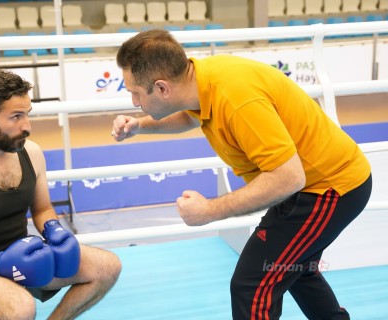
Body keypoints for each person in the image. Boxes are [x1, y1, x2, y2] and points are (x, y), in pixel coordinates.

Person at [111, 29, 371, 319]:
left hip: (329, 188)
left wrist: (210, 210)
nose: (134, 102)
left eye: (135, 93)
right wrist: (141, 125)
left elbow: (288, 177)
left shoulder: (237, 99)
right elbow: (187, 113)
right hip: (310, 183)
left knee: (252, 285)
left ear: (162, 88)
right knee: (297, 270)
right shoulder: (198, 80)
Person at [0, 69, 121, 320]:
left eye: (27, 114)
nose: (27, 126)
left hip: (24, 255)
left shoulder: (31, 153)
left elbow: (41, 210)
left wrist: (54, 230)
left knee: (107, 267)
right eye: (16, 117)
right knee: (21, 307)